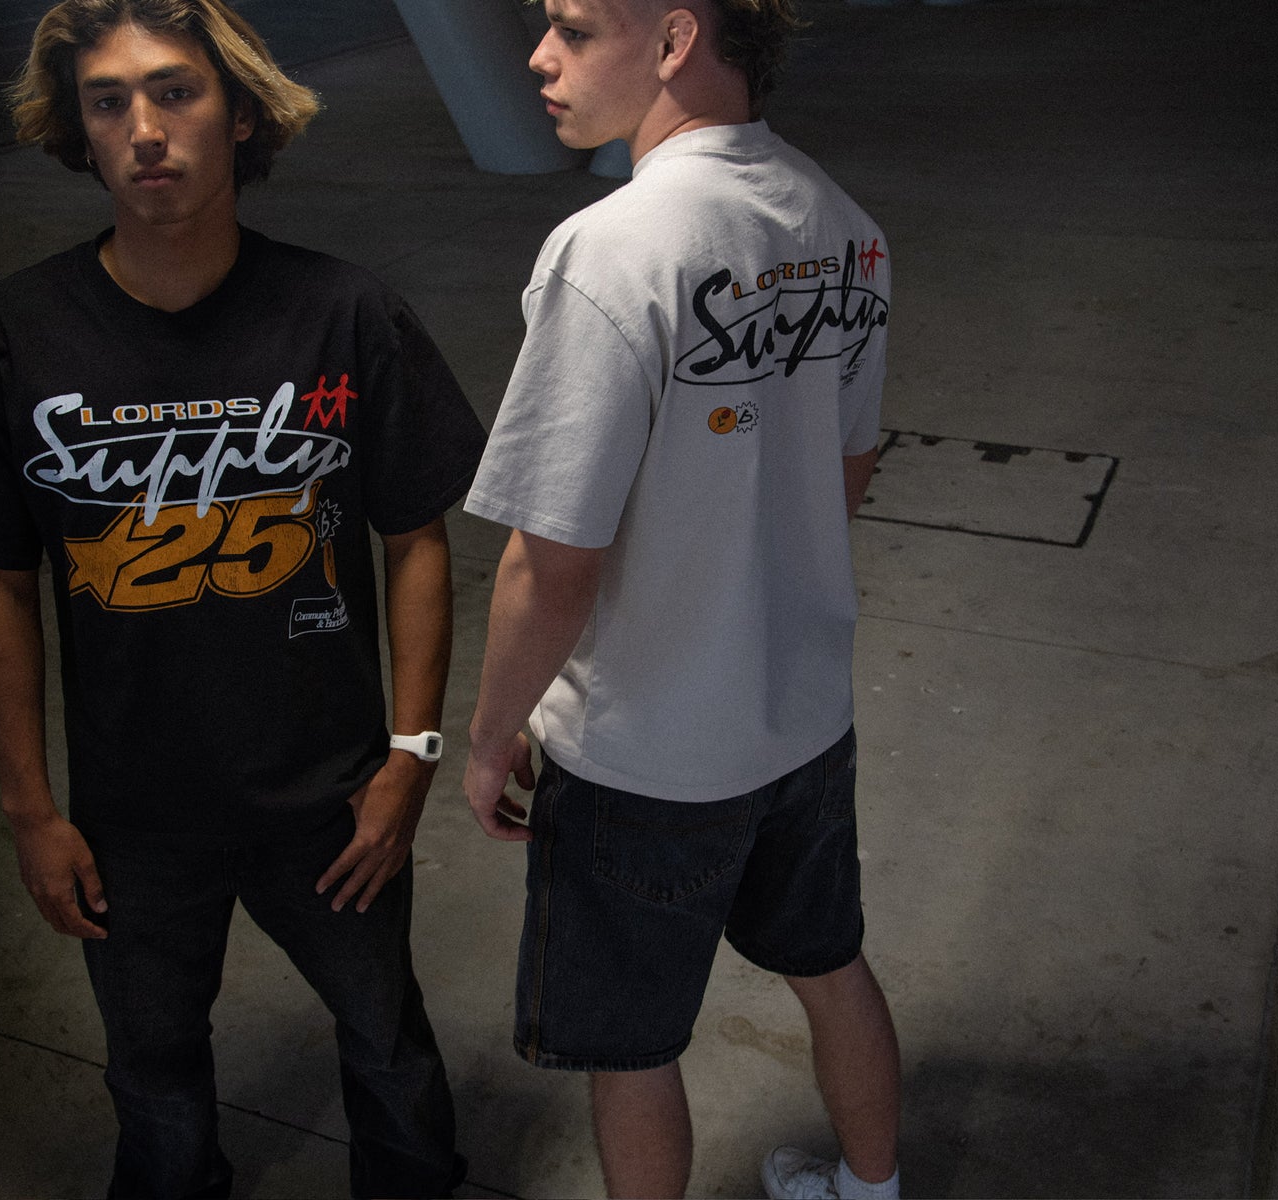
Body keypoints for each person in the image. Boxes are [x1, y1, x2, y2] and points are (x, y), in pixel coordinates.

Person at [0, 1, 484, 1195]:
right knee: (153, 1074)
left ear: (242, 113)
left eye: (176, 91)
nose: (144, 129)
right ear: (79, 130)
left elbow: (416, 538)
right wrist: (29, 811)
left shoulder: (346, 314)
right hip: (132, 815)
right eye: (108, 101)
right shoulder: (5, 337)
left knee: (387, 1045)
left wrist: (411, 756)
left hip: (329, 798)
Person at [459, 2, 899, 1198]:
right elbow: (847, 466)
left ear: (672, 39)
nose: (538, 57)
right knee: (832, 966)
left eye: (571, 27)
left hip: (645, 753)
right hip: (802, 715)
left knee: (633, 1049)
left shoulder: (612, 250)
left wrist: (490, 738)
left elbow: (553, 559)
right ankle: (872, 1188)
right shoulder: (844, 227)